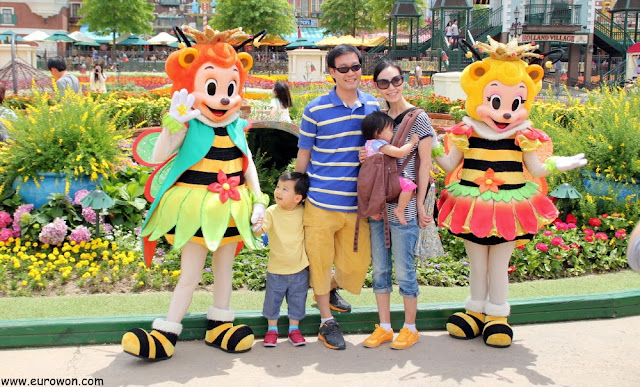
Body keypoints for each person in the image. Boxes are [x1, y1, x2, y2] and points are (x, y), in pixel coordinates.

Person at [295, 44, 380, 350]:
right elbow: (304, 153)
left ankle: (329, 289)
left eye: (355, 67)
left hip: (358, 205)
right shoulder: (316, 109)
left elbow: (383, 147)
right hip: (321, 201)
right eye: (343, 68)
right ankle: (326, 322)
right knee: (319, 263)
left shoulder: (373, 106)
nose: (350, 73)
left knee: (354, 267)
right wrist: (295, 190)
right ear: (331, 72)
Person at [359, 59, 434, 350]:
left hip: (405, 204)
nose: (390, 87)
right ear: (375, 84)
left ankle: (410, 327)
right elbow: (371, 156)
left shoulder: (419, 118)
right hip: (379, 202)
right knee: (379, 269)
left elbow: (424, 164)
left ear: (404, 81)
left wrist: (423, 204)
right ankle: (385, 326)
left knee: (404, 270)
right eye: (383, 82)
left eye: (396, 81)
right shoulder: (378, 120)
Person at [253, 172, 310, 347]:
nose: (278, 191)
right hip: (277, 269)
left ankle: (294, 329)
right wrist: (257, 226)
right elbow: (260, 231)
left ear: (297, 198)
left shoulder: (304, 212)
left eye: (285, 189)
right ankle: (272, 330)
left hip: (300, 269)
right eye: (278, 186)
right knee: (272, 301)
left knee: (297, 301)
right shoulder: (272, 212)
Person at [361, 111, 420, 225]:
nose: (393, 133)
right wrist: (412, 142)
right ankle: (400, 209)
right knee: (409, 185)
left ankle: (373, 211)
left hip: (372, 181)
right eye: (390, 130)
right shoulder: (378, 144)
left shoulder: (368, 144)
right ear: (378, 132)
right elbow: (400, 153)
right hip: (383, 179)